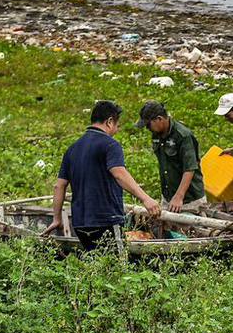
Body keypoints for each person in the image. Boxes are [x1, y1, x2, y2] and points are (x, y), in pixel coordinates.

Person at [48, 100, 160, 251]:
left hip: (80, 223)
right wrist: (146, 198)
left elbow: (59, 185)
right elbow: (119, 173)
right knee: (116, 267)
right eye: (117, 126)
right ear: (109, 122)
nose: (116, 130)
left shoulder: (72, 148)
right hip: (106, 220)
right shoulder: (110, 144)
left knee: (94, 263)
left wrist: (56, 219)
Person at [139, 99, 204, 209]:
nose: (148, 129)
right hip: (168, 196)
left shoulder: (183, 136)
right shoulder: (156, 134)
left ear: (159, 119)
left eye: (148, 125)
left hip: (188, 199)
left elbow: (190, 168)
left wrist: (179, 196)